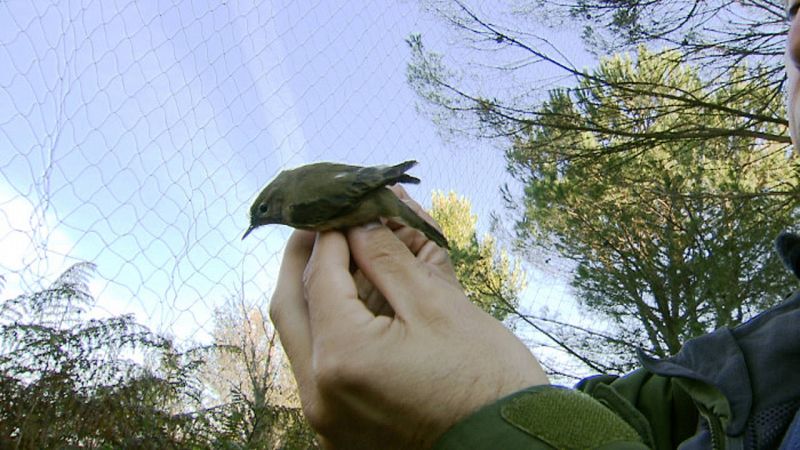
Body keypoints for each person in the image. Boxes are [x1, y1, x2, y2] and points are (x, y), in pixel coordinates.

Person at [268, 6, 800, 449]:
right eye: (794, 9)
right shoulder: (754, 360)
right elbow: (628, 419)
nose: (796, 38)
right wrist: (442, 388)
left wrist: (480, 410)